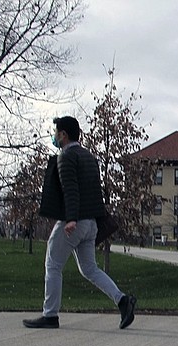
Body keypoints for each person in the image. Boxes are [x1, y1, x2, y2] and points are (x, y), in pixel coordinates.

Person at [23, 116, 136, 329]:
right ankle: (123, 301)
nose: (54, 136)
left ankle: (50, 315)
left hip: (74, 221)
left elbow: (70, 189)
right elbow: (95, 192)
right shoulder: (89, 157)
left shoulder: (66, 156)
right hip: (91, 222)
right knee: (89, 269)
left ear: (63, 135)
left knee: (53, 265)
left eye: (56, 132)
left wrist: (71, 218)